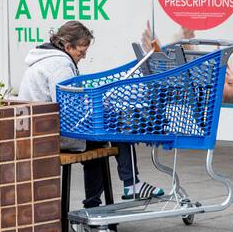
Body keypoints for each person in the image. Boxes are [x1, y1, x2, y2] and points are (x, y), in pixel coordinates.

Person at [17, 21, 164, 205]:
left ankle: (95, 202)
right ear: (68, 46)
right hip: (53, 134)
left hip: (40, 131)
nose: (84, 56)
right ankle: (130, 183)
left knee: (100, 136)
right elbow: (68, 107)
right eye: (81, 51)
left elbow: (63, 100)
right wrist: (99, 106)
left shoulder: (45, 58)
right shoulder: (60, 64)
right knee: (116, 125)